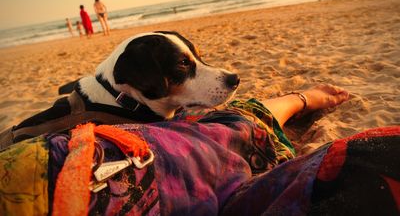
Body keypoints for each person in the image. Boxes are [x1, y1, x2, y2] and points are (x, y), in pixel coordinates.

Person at [0, 84, 399, 215]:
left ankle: (297, 101)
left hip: (78, 161)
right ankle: (297, 101)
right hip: (88, 166)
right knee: (224, 138)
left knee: (220, 138)